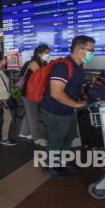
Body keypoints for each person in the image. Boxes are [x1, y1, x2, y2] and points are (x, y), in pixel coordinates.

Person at [41, 36, 93, 179]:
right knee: (56, 139)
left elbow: (75, 86)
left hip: (68, 110)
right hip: (55, 110)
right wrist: (76, 104)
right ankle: (50, 165)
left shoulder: (79, 65)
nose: (92, 53)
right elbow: (56, 93)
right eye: (90, 50)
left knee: (68, 137)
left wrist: (82, 97)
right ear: (79, 49)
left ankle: (62, 162)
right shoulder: (63, 66)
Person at [19, 44, 51, 147]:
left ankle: (24, 132)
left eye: (49, 52)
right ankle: (37, 138)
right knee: (33, 115)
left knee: (30, 113)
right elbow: (40, 77)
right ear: (39, 53)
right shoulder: (33, 63)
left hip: (35, 93)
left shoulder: (44, 63)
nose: (48, 55)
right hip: (28, 93)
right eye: (46, 53)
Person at [0, 51, 17, 146]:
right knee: (8, 118)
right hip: (1, 100)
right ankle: (4, 139)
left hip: (3, 98)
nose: (6, 59)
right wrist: (0, 101)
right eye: (4, 58)